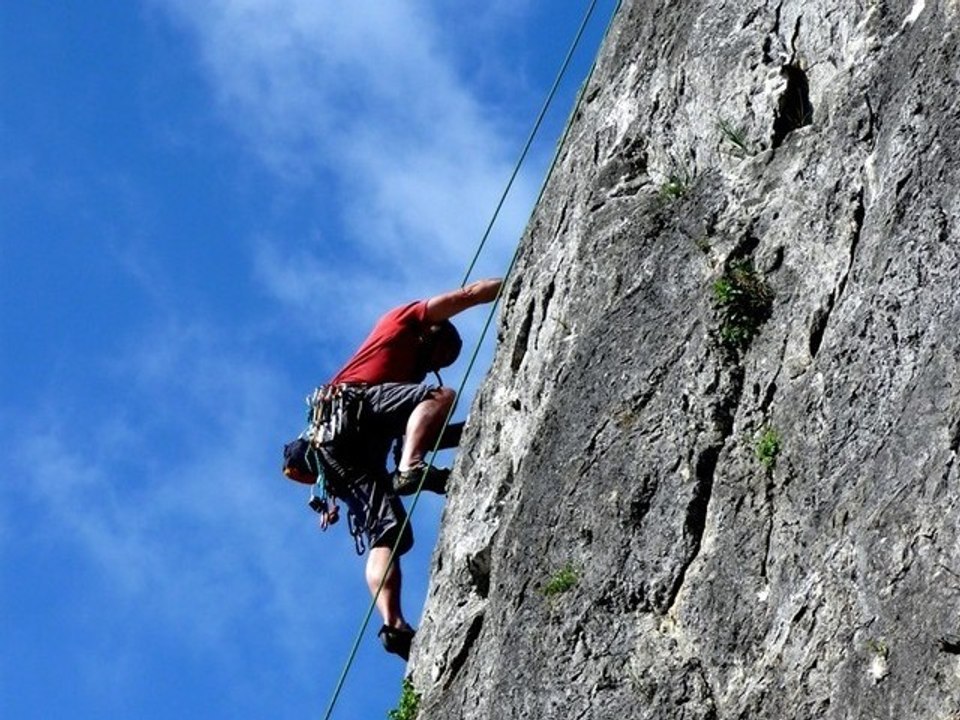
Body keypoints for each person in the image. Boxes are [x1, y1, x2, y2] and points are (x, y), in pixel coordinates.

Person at [282, 278, 502, 660]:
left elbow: (421, 433)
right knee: (441, 396)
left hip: (336, 453)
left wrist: (474, 428)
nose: (432, 367)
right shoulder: (402, 322)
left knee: (389, 534)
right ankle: (412, 470)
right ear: (431, 336)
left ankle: (393, 624)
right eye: (437, 357)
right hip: (351, 413)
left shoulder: (403, 387)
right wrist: (513, 280)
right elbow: (467, 296)